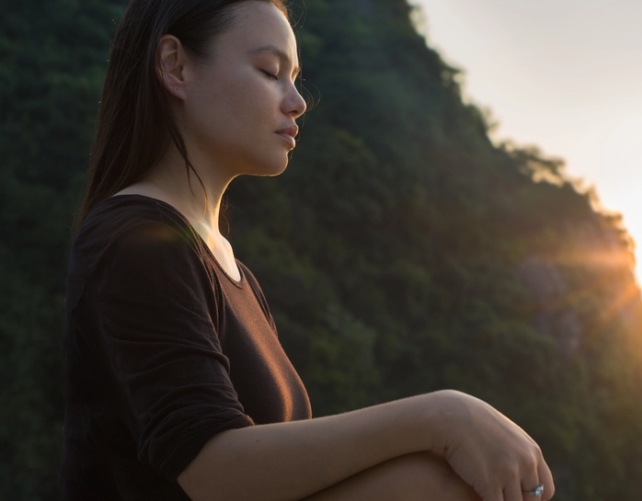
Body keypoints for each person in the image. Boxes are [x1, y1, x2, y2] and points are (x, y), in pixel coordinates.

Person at [61, 0, 555, 500]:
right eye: (270, 71)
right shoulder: (133, 240)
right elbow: (215, 472)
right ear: (176, 67)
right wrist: (440, 416)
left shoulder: (233, 272)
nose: (297, 101)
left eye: (294, 77)